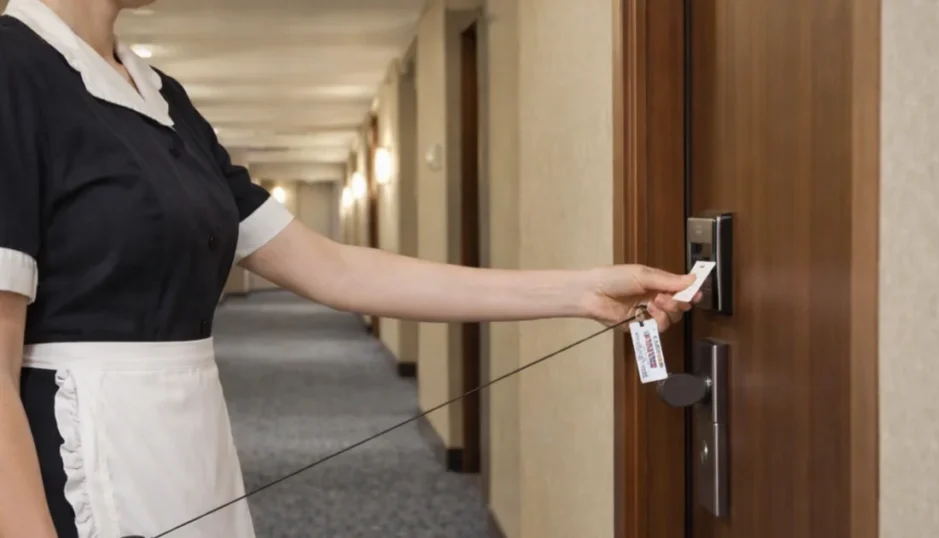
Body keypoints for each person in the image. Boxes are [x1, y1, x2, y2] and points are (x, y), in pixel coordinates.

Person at [0, 0, 698, 536]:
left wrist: (579, 289)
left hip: (188, 428)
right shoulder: (12, 71)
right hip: (78, 440)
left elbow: (332, 267)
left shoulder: (158, 94)